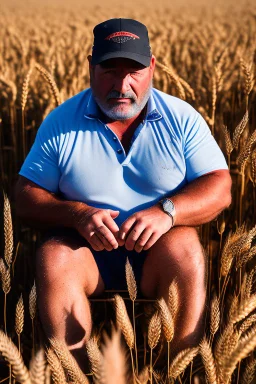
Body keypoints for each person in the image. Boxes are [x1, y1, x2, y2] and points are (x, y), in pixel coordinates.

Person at [15, 18, 232, 370]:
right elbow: (25, 196)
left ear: (152, 68)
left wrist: (168, 212)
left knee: (188, 249)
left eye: (133, 71)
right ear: (90, 67)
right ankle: (77, 374)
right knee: (53, 256)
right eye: (109, 71)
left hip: (157, 253)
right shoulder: (61, 121)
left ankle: (181, 369)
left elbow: (220, 186)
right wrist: (77, 214)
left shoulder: (182, 119)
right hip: (87, 255)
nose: (121, 84)